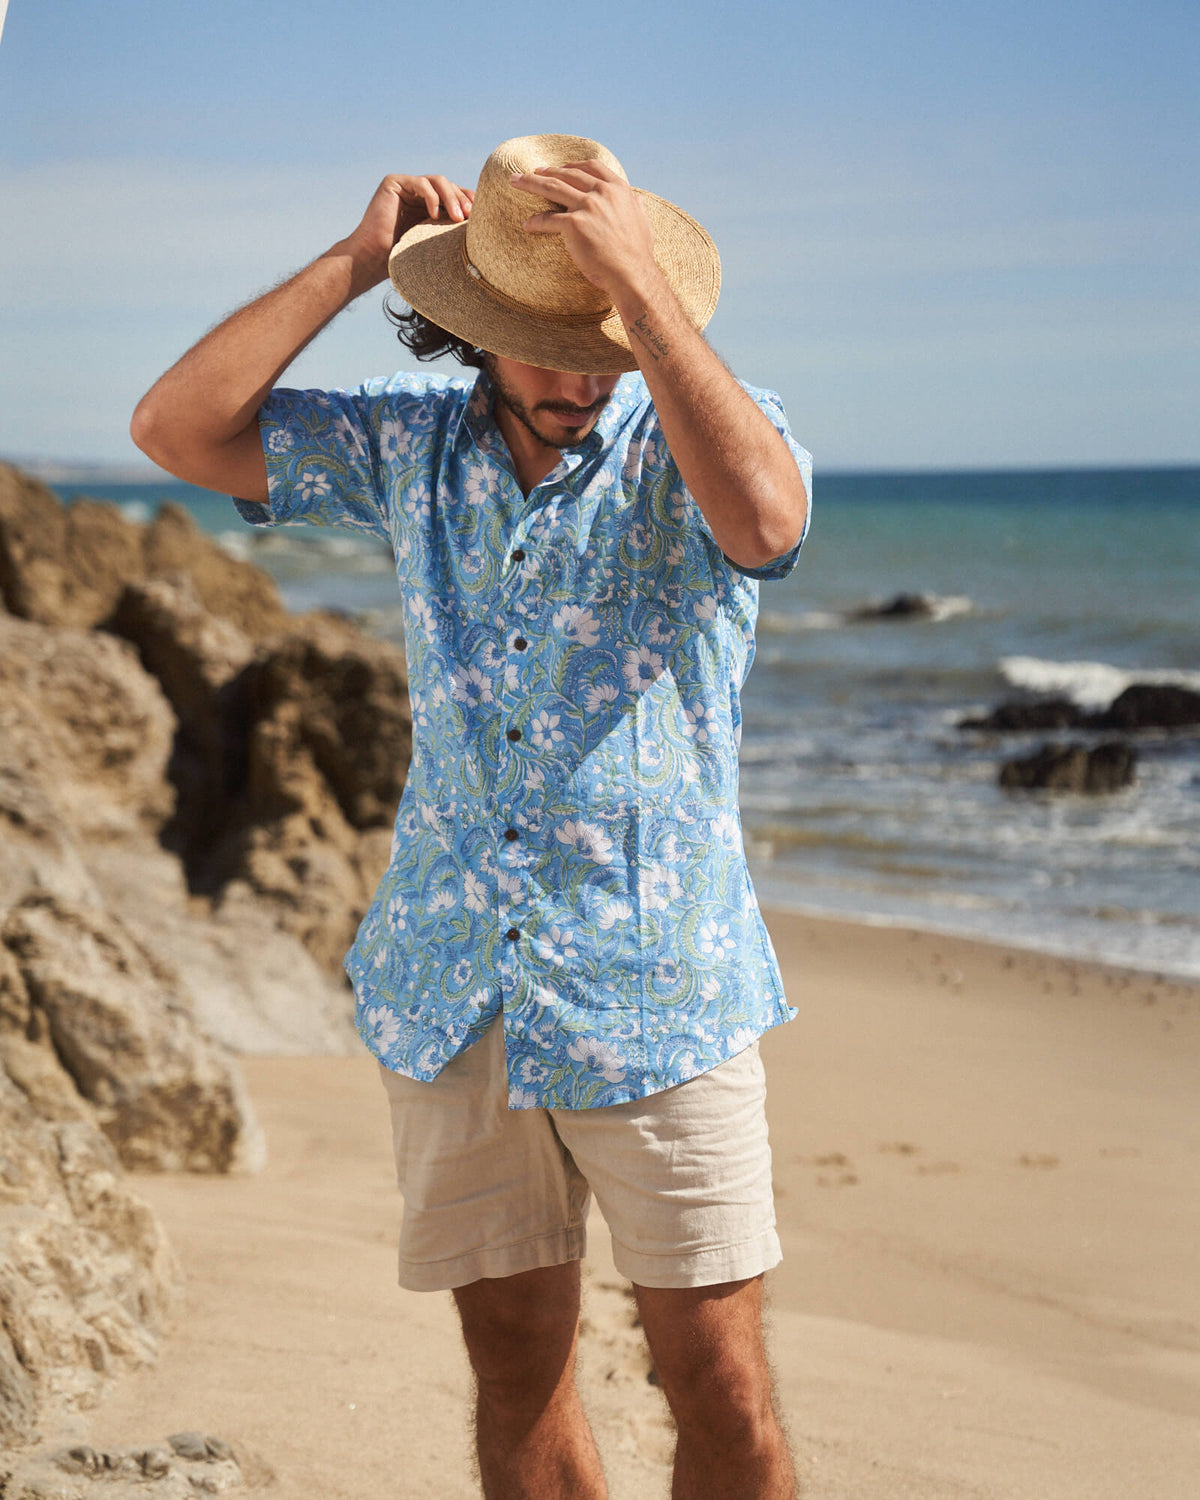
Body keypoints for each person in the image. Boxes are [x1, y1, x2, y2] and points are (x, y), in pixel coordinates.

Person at [132, 132, 811, 1500]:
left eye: (598, 343)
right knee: (513, 1371)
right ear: (477, 325)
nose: (577, 381)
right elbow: (177, 431)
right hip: (454, 988)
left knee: (722, 1388)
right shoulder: (409, 441)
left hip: (660, 990)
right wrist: (351, 265)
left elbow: (767, 524)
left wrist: (640, 296)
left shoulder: (699, 429)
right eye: (543, 346)